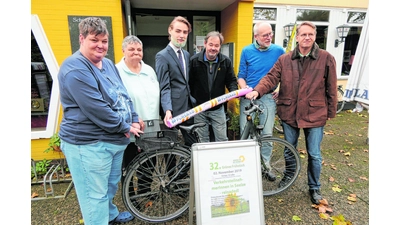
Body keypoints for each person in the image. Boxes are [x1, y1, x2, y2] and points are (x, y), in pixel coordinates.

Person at [57, 17, 143, 225]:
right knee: (93, 196)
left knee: (108, 186)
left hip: (112, 141)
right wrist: (124, 126)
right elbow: (97, 109)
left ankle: (111, 216)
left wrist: (132, 116)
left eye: (104, 41)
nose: (100, 46)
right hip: (89, 144)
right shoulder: (75, 69)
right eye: (95, 40)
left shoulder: (107, 64)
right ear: (82, 39)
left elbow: (123, 94)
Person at [245, 21, 337, 205]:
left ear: (315, 36)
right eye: (303, 34)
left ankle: (314, 187)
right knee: (289, 150)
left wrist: (330, 112)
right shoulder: (285, 60)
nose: (307, 37)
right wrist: (257, 90)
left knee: (315, 154)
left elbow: (331, 88)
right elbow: (271, 77)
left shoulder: (326, 58)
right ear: (297, 37)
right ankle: (289, 176)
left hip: (315, 113)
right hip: (290, 113)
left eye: (310, 34)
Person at [237, 22, 285, 181]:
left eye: (270, 33)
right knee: (245, 133)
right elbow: (241, 75)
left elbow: (286, 73)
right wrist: (245, 90)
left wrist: (280, 89)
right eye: (265, 35)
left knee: (267, 134)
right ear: (256, 36)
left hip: (268, 98)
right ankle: (247, 166)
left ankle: (266, 166)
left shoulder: (279, 51)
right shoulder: (246, 51)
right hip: (248, 98)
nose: (269, 37)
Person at [115, 35, 160, 191]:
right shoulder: (117, 71)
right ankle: (131, 197)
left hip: (151, 126)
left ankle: (144, 192)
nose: (136, 52)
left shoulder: (149, 70)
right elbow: (115, 100)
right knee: (130, 163)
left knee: (149, 164)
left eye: (139, 49)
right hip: (130, 127)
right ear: (123, 51)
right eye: (131, 49)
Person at [155, 16, 197, 147]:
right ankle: (171, 168)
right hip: (172, 111)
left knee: (192, 146)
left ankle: (187, 168)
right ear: (170, 30)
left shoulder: (186, 55)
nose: (182, 35)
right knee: (170, 148)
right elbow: (164, 86)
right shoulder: (162, 56)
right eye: (178, 31)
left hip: (188, 108)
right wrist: (168, 110)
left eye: (185, 32)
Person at [188, 31, 238, 142]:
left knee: (222, 139)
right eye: (211, 44)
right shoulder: (194, 61)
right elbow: (189, 83)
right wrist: (193, 100)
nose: (213, 48)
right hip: (200, 108)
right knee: (202, 140)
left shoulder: (226, 61)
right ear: (205, 44)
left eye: (216, 45)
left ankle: (221, 159)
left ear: (220, 46)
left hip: (217, 108)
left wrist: (233, 91)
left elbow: (231, 80)